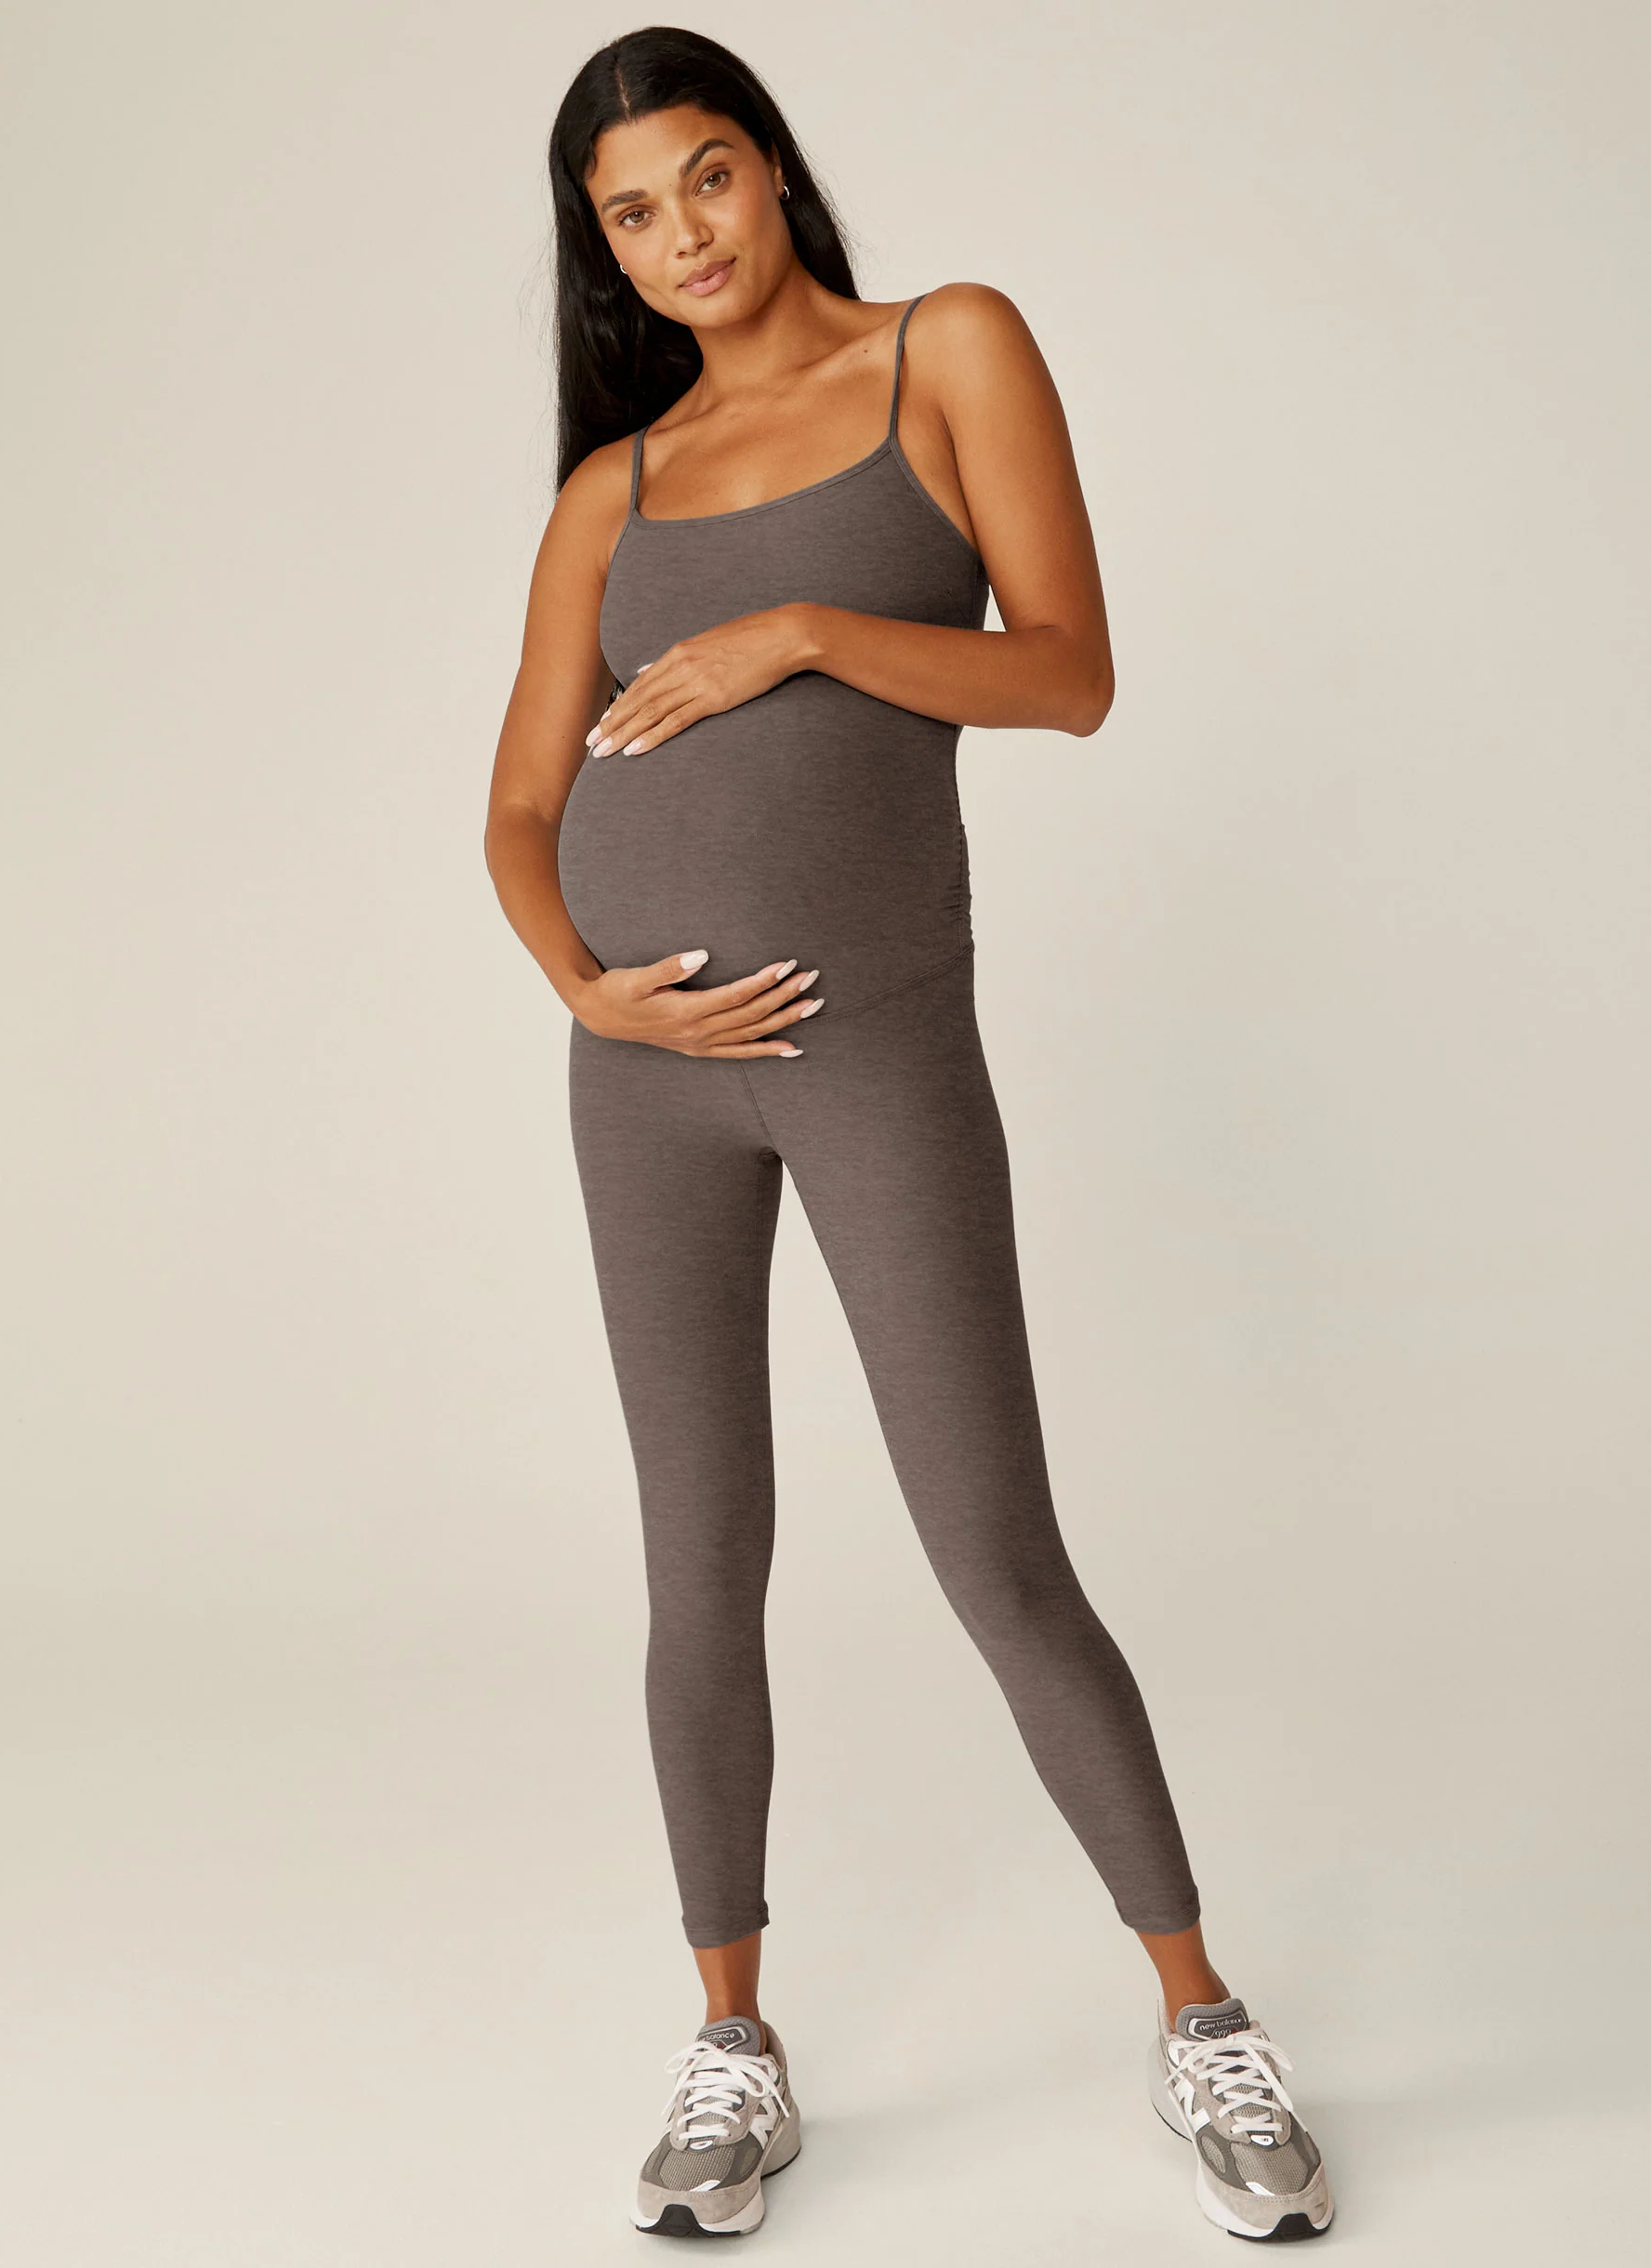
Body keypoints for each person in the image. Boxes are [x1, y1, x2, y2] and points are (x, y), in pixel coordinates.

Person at [487, 25, 1335, 2245]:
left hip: (875, 1046)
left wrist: (802, 629)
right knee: (700, 1563)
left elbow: (1069, 671)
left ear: (770, 170)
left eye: (705, 178)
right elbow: (518, 804)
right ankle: (732, 2043)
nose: (680, 237)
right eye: (629, 215)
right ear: (603, 251)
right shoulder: (610, 491)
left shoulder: (943, 351)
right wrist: (582, 982)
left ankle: (1201, 2010)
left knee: (995, 1550)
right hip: (644, 1080)